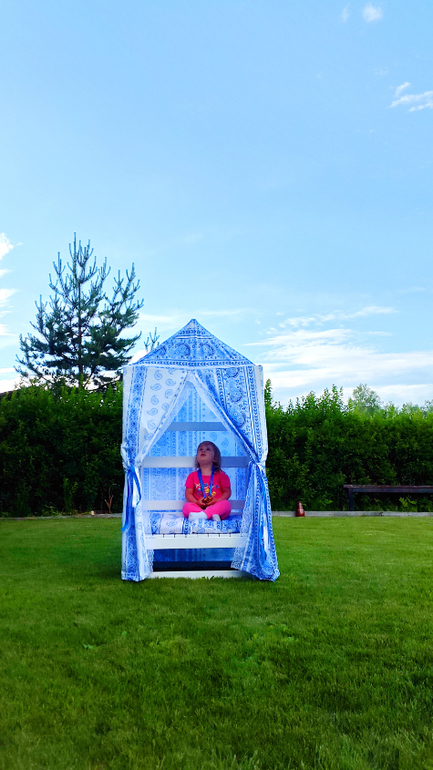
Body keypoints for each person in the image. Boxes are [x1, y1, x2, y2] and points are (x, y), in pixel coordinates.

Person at [182, 441, 231, 521]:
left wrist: (217, 501)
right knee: (186, 507)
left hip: (216, 505)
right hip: (199, 507)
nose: (203, 451)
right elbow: (188, 493)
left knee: (226, 504)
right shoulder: (192, 476)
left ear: (215, 458)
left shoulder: (222, 475)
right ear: (197, 458)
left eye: (208, 449)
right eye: (200, 449)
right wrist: (196, 502)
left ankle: (202, 516)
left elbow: (227, 492)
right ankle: (207, 515)